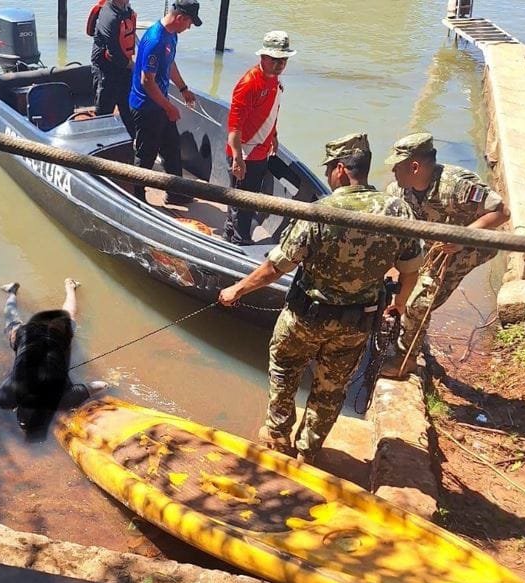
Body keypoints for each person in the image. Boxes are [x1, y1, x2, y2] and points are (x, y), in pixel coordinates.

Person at [218, 133, 423, 462]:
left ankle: (277, 439)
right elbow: (411, 269)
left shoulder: (321, 211)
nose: (327, 175)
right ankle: (308, 452)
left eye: (329, 169)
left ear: (340, 169)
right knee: (332, 387)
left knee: (284, 368)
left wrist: (236, 290)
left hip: (306, 318)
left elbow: (276, 267)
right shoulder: (398, 211)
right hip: (357, 323)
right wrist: (398, 305)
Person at [379, 133, 510, 377]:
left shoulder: (456, 185)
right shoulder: (398, 191)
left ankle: (405, 360)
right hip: (436, 245)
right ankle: (410, 324)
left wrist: (462, 237)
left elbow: (501, 212)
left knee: (421, 303)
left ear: (414, 167)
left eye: (397, 166)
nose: (393, 172)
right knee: (405, 289)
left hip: (469, 247)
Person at [0, 279, 107, 440]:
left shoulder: (64, 400)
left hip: (54, 337)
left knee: (68, 315)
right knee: (12, 322)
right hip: (29, 337)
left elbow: (101, 385)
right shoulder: (7, 396)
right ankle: (13, 291)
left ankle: (69, 288)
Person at [223, 31, 296, 244]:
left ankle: (231, 233)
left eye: (283, 60)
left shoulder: (274, 81)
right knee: (243, 202)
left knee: (247, 199)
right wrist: (238, 158)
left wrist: (274, 136)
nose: (280, 64)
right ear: (263, 57)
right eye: (275, 60)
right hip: (246, 153)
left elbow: (271, 112)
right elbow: (234, 128)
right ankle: (240, 241)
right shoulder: (249, 84)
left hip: (261, 151)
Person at [128, 0, 201, 205]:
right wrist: (169, 108)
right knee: (147, 153)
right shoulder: (156, 40)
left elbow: (170, 64)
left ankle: (176, 192)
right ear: (180, 18)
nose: (189, 28)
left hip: (160, 103)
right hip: (146, 107)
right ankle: (137, 196)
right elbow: (147, 81)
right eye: (189, 23)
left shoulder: (172, 35)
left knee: (171, 147)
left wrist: (183, 88)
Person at [91, 0, 138, 137]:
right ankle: (100, 140)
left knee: (127, 107)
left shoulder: (126, 10)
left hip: (124, 67)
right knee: (104, 110)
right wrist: (134, 66)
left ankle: (134, 139)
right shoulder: (109, 16)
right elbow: (114, 52)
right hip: (106, 69)